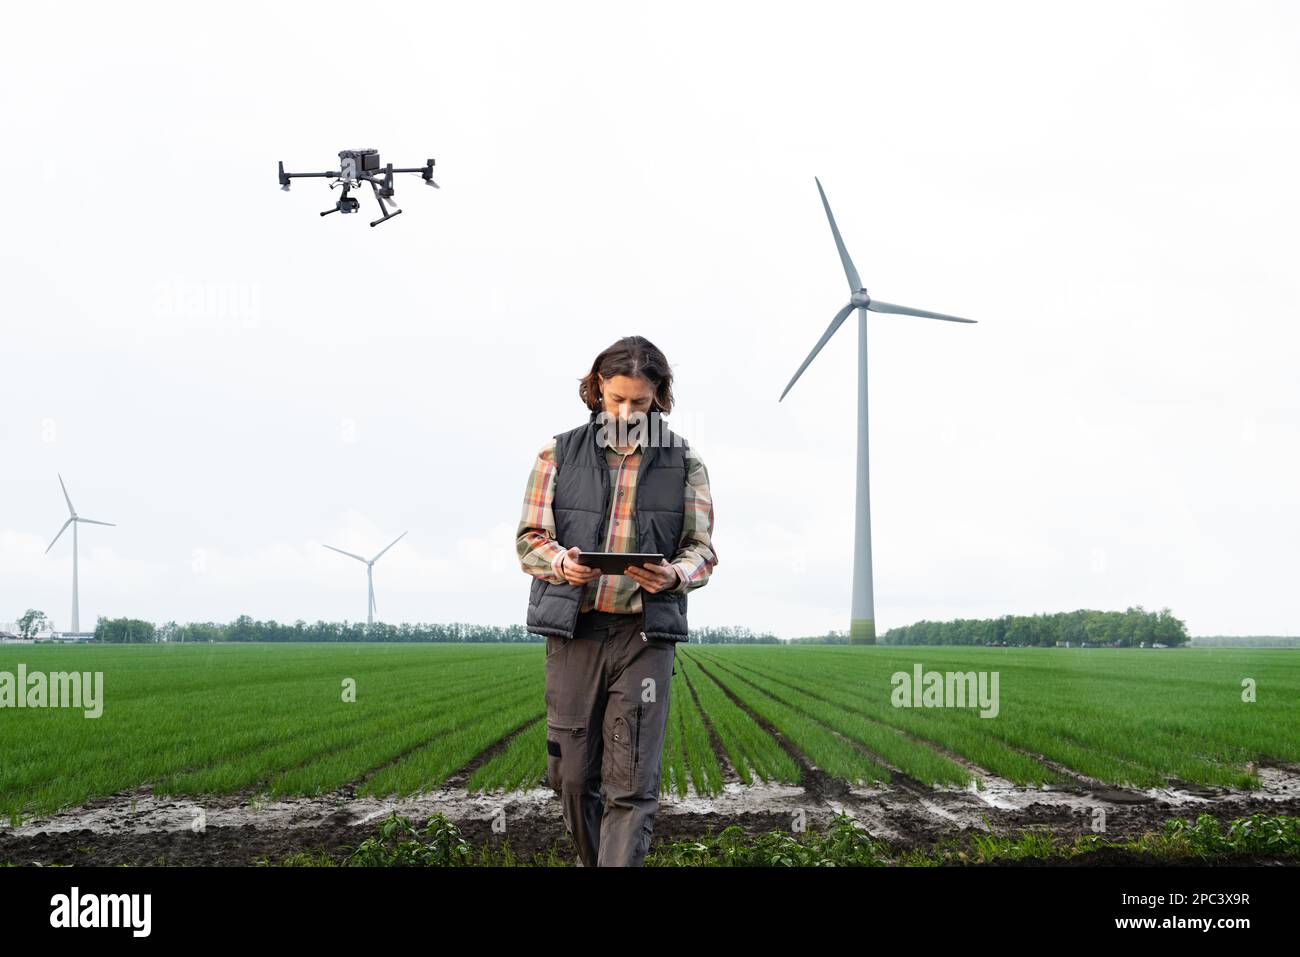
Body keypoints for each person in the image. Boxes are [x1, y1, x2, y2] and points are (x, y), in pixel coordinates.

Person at [515, 335, 718, 866]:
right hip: (575, 629)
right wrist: (562, 563)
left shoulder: (685, 462)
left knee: (631, 782)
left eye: (641, 403)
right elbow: (529, 540)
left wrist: (674, 575)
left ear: (659, 397)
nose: (627, 413)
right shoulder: (556, 453)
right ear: (598, 388)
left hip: (643, 636)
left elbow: (702, 549)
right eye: (616, 400)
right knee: (573, 777)